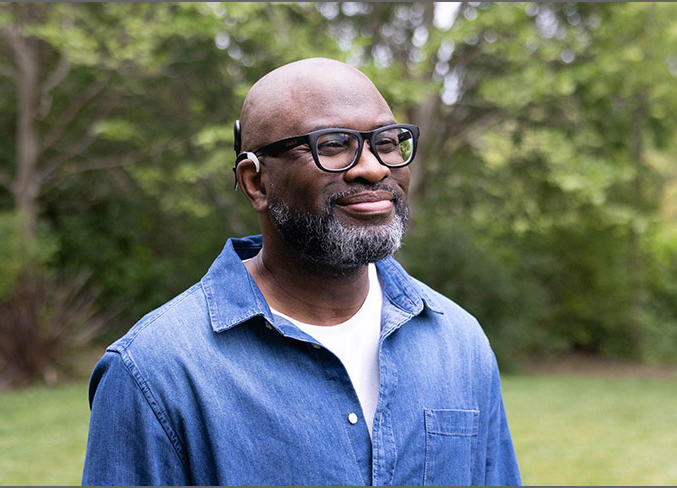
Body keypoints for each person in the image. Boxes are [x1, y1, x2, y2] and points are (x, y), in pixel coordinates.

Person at [82, 57, 522, 486]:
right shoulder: (154, 372)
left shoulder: (459, 342)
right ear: (256, 182)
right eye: (332, 144)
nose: (373, 167)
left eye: (387, 142)